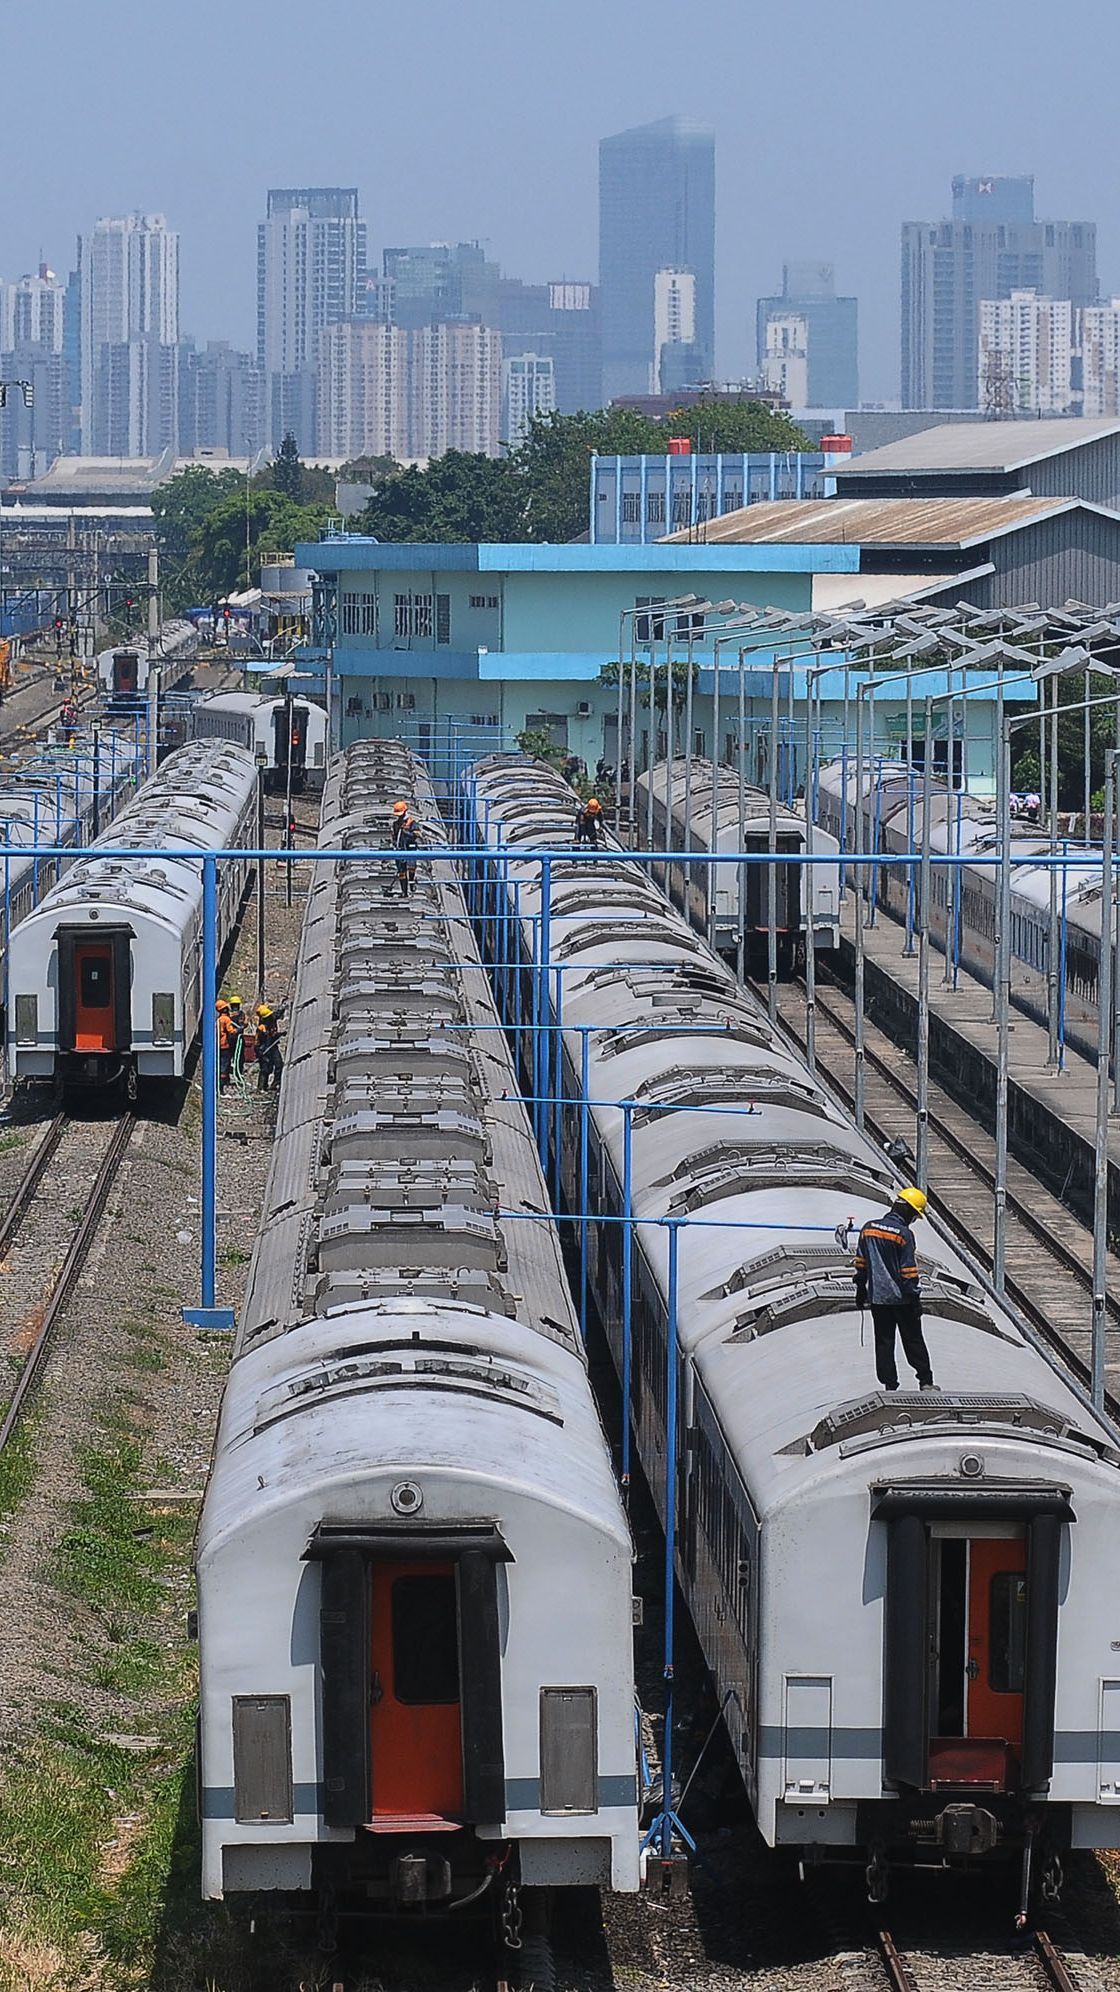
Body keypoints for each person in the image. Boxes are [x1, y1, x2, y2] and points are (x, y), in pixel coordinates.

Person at [854, 1187, 937, 1393]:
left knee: (884, 1342)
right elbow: (908, 1271)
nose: (913, 1220)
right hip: (902, 1299)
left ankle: (890, 1385)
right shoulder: (904, 1234)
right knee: (913, 1340)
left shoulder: (868, 1228)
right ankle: (925, 1381)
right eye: (914, 1216)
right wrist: (915, 1300)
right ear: (908, 1211)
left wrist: (860, 1289)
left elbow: (861, 1262)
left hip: (878, 1299)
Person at [390, 799, 420, 898]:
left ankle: (411, 883)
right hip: (400, 849)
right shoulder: (395, 824)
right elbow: (394, 836)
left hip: (410, 849)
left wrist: (406, 832)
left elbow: (417, 835)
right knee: (402, 872)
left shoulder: (411, 822)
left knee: (411, 867)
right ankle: (404, 892)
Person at [254, 1003, 284, 1092]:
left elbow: (277, 1014)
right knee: (265, 1069)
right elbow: (257, 1043)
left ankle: (275, 1083)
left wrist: (280, 1034)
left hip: (273, 1048)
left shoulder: (272, 1020)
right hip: (264, 1050)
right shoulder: (261, 1028)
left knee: (279, 1065)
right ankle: (261, 1087)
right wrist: (260, 1054)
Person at [216, 998, 237, 1092]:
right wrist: (239, 1030)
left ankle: (219, 1083)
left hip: (219, 1045)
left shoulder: (218, 1019)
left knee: (220, 1064)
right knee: (224, 1065)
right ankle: (221, 1087)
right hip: (225, 1045)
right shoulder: (226, 1019)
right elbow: (231, 1031)